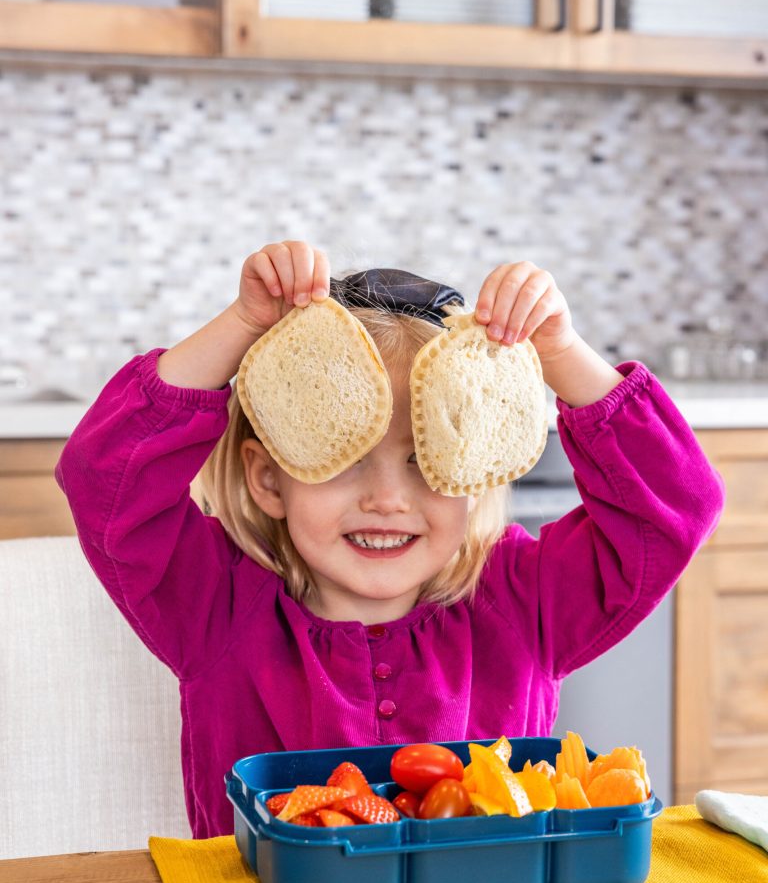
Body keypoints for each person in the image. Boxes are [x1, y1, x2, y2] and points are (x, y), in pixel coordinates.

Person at [56, 240, 724, 839]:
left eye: (424, 460)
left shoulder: (524, 601)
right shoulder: (213, 606)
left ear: (470, 470)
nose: (387, 498)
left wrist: (560, 352)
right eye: (346, 458)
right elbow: (101, 477)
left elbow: (674, 505)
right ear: (268, 479)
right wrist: (241, 325)